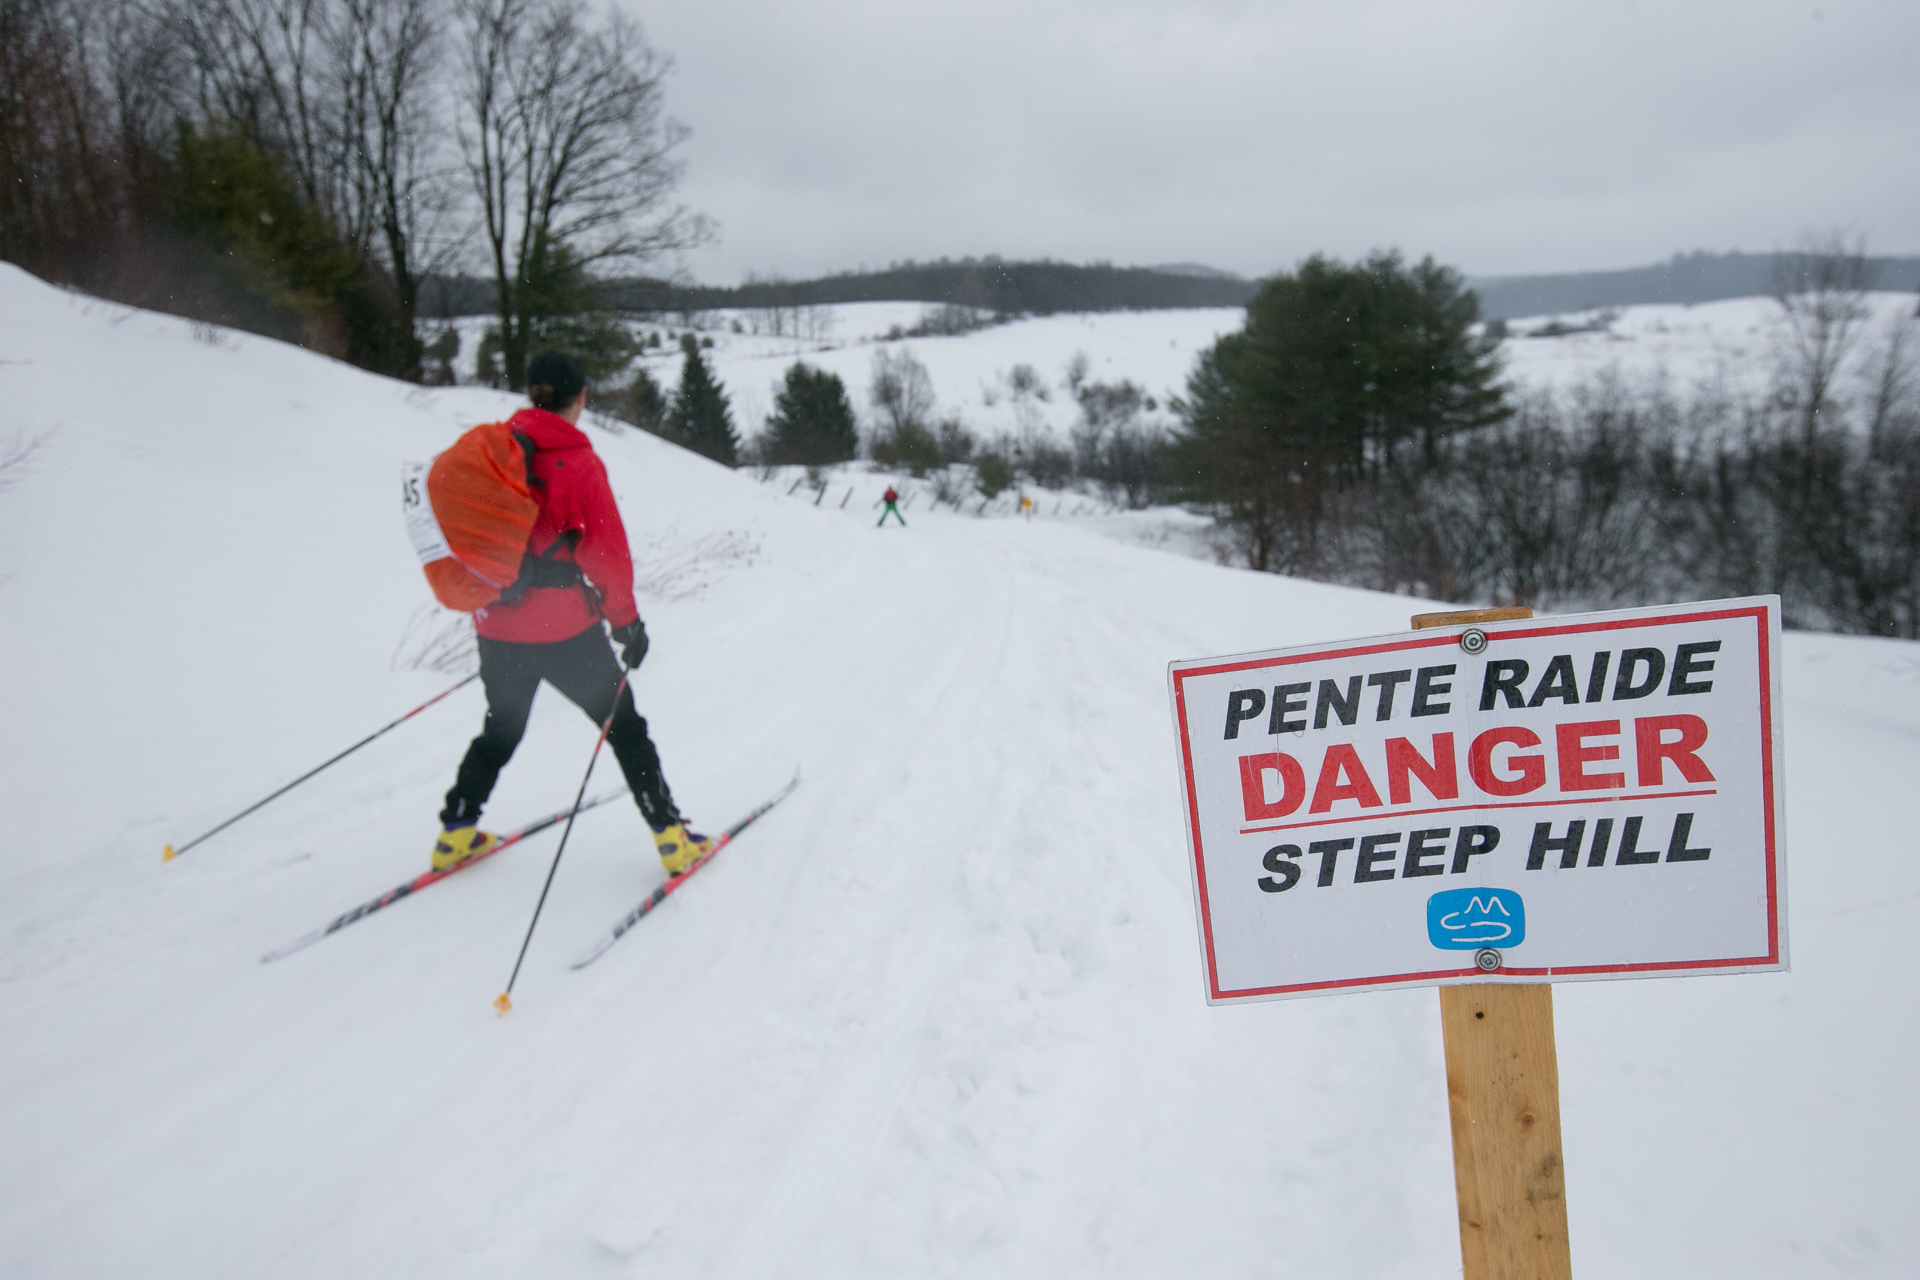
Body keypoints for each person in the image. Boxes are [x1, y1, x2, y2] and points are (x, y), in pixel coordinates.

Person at [431, 351, 709, 876]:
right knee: (624, 729)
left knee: (501, 731)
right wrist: (626, 623)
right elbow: (605, 553)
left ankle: (456, 833)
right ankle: (673, 838)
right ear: (580, 398)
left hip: (497, 626)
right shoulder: (577, 463)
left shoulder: (495, 451)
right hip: (566, 633)